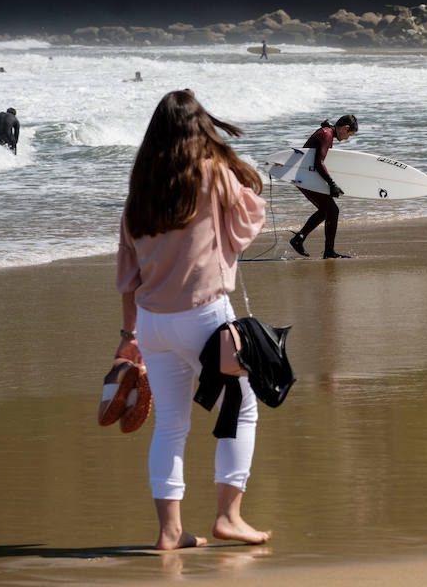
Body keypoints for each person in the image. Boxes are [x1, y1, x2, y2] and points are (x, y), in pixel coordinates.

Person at [115, 89, 270, 550]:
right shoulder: (212, 173)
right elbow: (252, 212)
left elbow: (127, 274)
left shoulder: (140, 192)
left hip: (152, 323)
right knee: (240, 408)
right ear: (199, 130)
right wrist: (222, 153)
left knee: (170, 425)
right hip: (204, 316)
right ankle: (229, 517)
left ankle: (169, 532)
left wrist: (128, 335)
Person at [288, 114, 358, 259]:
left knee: (327, 210)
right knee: (332, 210)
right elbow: (318, 163)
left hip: (305, 176)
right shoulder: (326, 134)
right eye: (349, 134)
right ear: (345, 128)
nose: (347, 138)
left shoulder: (327, 132)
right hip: (305, 178)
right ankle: (329, 252)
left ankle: (299, 238)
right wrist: (332, 184)